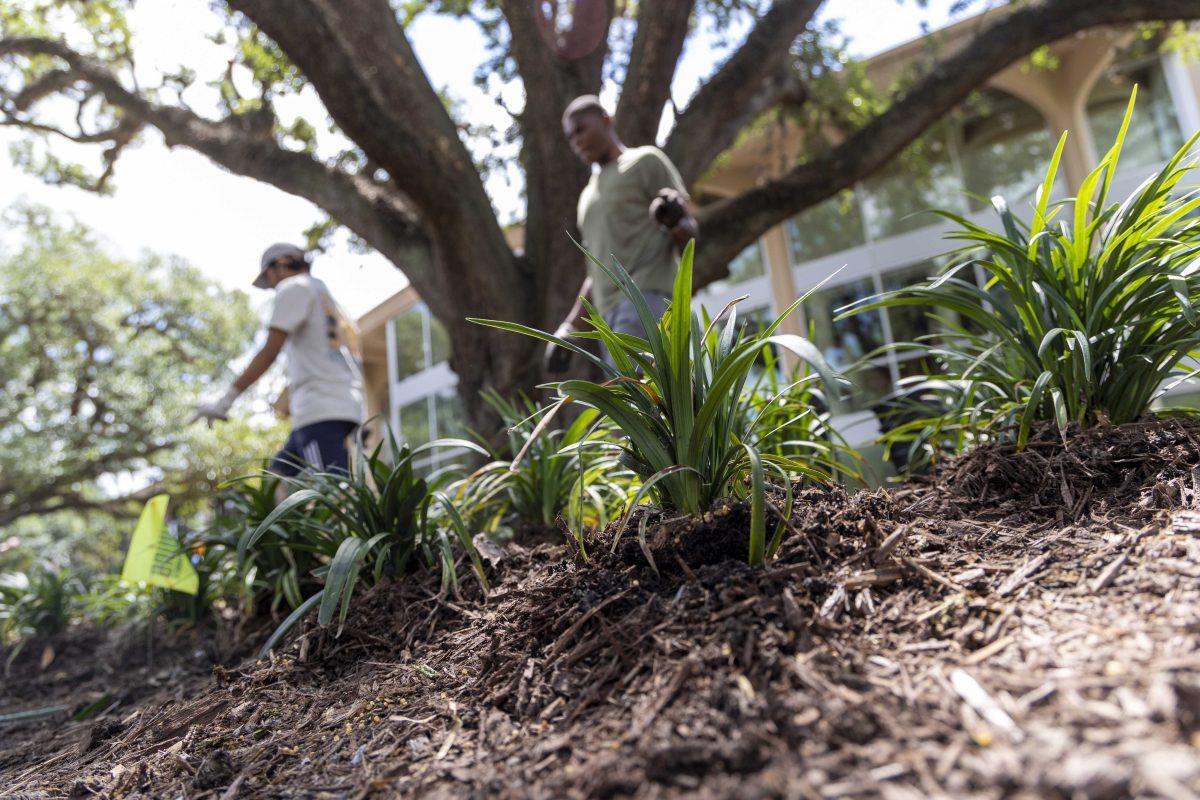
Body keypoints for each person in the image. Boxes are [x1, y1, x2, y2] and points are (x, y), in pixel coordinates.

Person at [547, 95, 699, 371]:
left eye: (581, 129)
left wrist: (674, 220)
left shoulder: (645, 161)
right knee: (641, 403)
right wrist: (568, 328)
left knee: (634, 399)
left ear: (606, 119)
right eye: (570, 137)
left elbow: (690, 231)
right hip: (608, 316)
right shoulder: (587, 198)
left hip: (645, 295)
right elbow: (597, 269)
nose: (576, 141)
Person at [193, 243, 364, 477]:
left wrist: (225, 401)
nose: (272, 286)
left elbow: (270, 350)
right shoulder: (320, 291)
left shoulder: (293, 287)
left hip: (319, 407)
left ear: (281, 264)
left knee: (332, 492)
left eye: (269, 277)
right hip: (338, 401)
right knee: (277, 477)